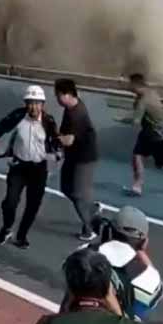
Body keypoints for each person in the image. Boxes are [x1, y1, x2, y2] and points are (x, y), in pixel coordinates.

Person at [0, 84, 62, 249]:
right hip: (18, 167)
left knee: (32, 206)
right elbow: (0, 128)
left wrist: (57, 152)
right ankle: (6, 228)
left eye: (37, 103)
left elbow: (55, 140)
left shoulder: (48, 121)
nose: (34, 107)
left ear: (42, 104)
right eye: (30, 103)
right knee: (9, 202)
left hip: (39, 169)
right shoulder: (17, 116)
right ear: (26, 104)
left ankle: (21, 236)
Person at [79, 206, 163, 324]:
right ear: (144, 242)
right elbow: (156, 297)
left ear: (110, 231)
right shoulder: (149, 276)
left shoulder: (83, 254)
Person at [35, 247, 140, 324]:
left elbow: (61, 319)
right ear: (108, 289)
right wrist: (116, 308)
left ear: (70, 288)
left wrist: (66, 305)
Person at [118, 73, 163, 196]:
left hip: (161, 136)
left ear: (135, 85)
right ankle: (138, 186)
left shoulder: (144, 100)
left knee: (161, 164)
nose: (127, 86)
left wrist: (122, 119)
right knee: (137, 155)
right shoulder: (148, 92)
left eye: (129, 84)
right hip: (147, 133)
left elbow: (135, 122)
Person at [55, 78, 99, 241]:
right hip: (73, 155)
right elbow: (64, 131)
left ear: (67, 94)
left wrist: (53, 138)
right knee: (65, 187)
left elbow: (69, 140)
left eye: (58, 95)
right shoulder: (69, 107)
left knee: (78, 194)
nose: (57, 98)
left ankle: (89, 229)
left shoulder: (78, 114)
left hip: (85, 158)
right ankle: (92, 208)